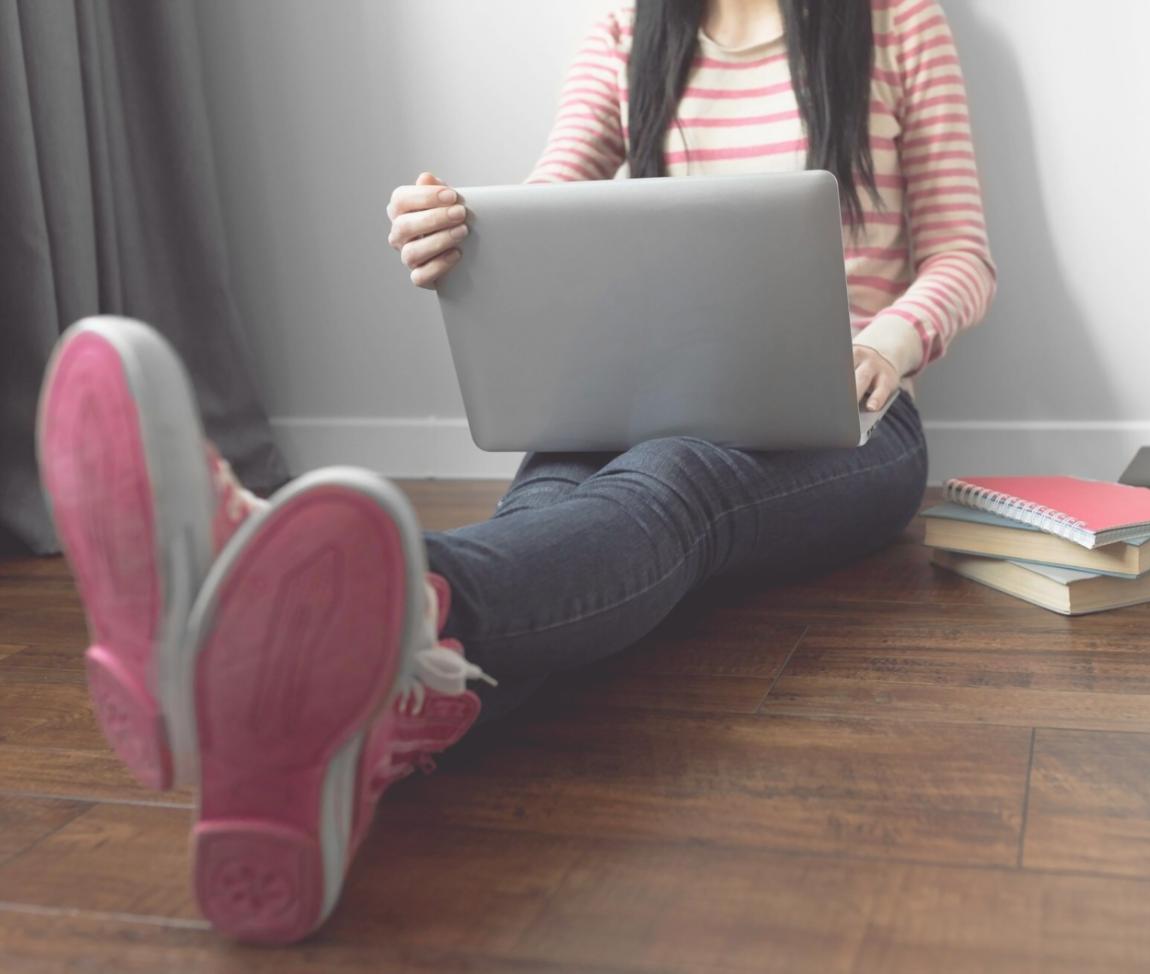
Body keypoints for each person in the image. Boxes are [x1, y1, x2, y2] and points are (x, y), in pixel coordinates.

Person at [35, 0, 994, 945]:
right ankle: (363, 719)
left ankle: (336, 597)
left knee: (669, 482)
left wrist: (890, 343)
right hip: (634, 382)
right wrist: (455, 229)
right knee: (548, 511)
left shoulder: (896, 20)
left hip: (850, 418)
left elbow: (962, 254)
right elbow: (547, 204)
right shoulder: (631, 28)